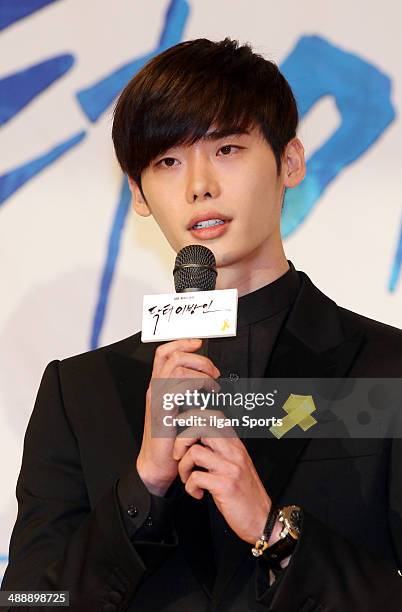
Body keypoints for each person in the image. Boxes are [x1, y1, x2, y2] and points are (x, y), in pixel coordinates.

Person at [1, 38, 402, 612]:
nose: (199, 185)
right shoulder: (78, 393)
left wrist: (274, 531)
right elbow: (30, 601)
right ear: (138, 192)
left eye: (228, 149)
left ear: (290, 162)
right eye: (167, 161)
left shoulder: (387, 371)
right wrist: (142, 487)